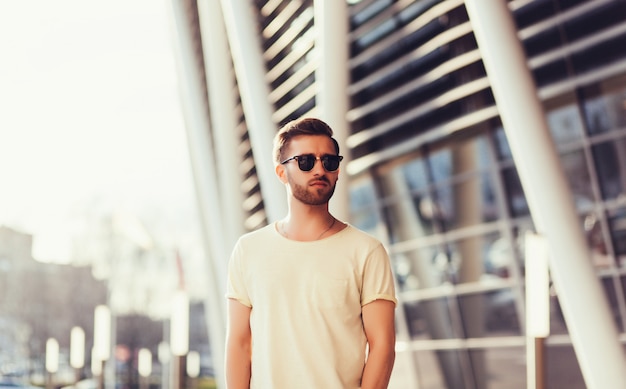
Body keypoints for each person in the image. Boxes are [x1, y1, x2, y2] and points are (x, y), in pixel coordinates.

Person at [225, 117, 397, 389]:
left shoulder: (367, 251)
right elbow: (239, 343)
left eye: (329, 162)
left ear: (338, 170)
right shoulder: (248, 250)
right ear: (281, 172)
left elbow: (383, 346)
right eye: (305, 161)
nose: (319, 169)